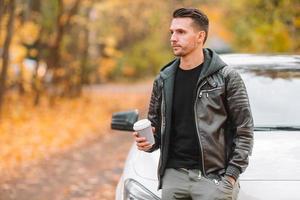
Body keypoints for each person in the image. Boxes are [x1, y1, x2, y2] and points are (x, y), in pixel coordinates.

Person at [133, 7, 253, 200]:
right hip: (173, 178)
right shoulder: (163, 79)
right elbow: (156, 129)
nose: (173, 38)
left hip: (212, 179)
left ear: (200, 36)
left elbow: (244, 130)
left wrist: (231, 176)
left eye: (181, 32)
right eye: (172, 32)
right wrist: (147, 142)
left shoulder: (226, 77)